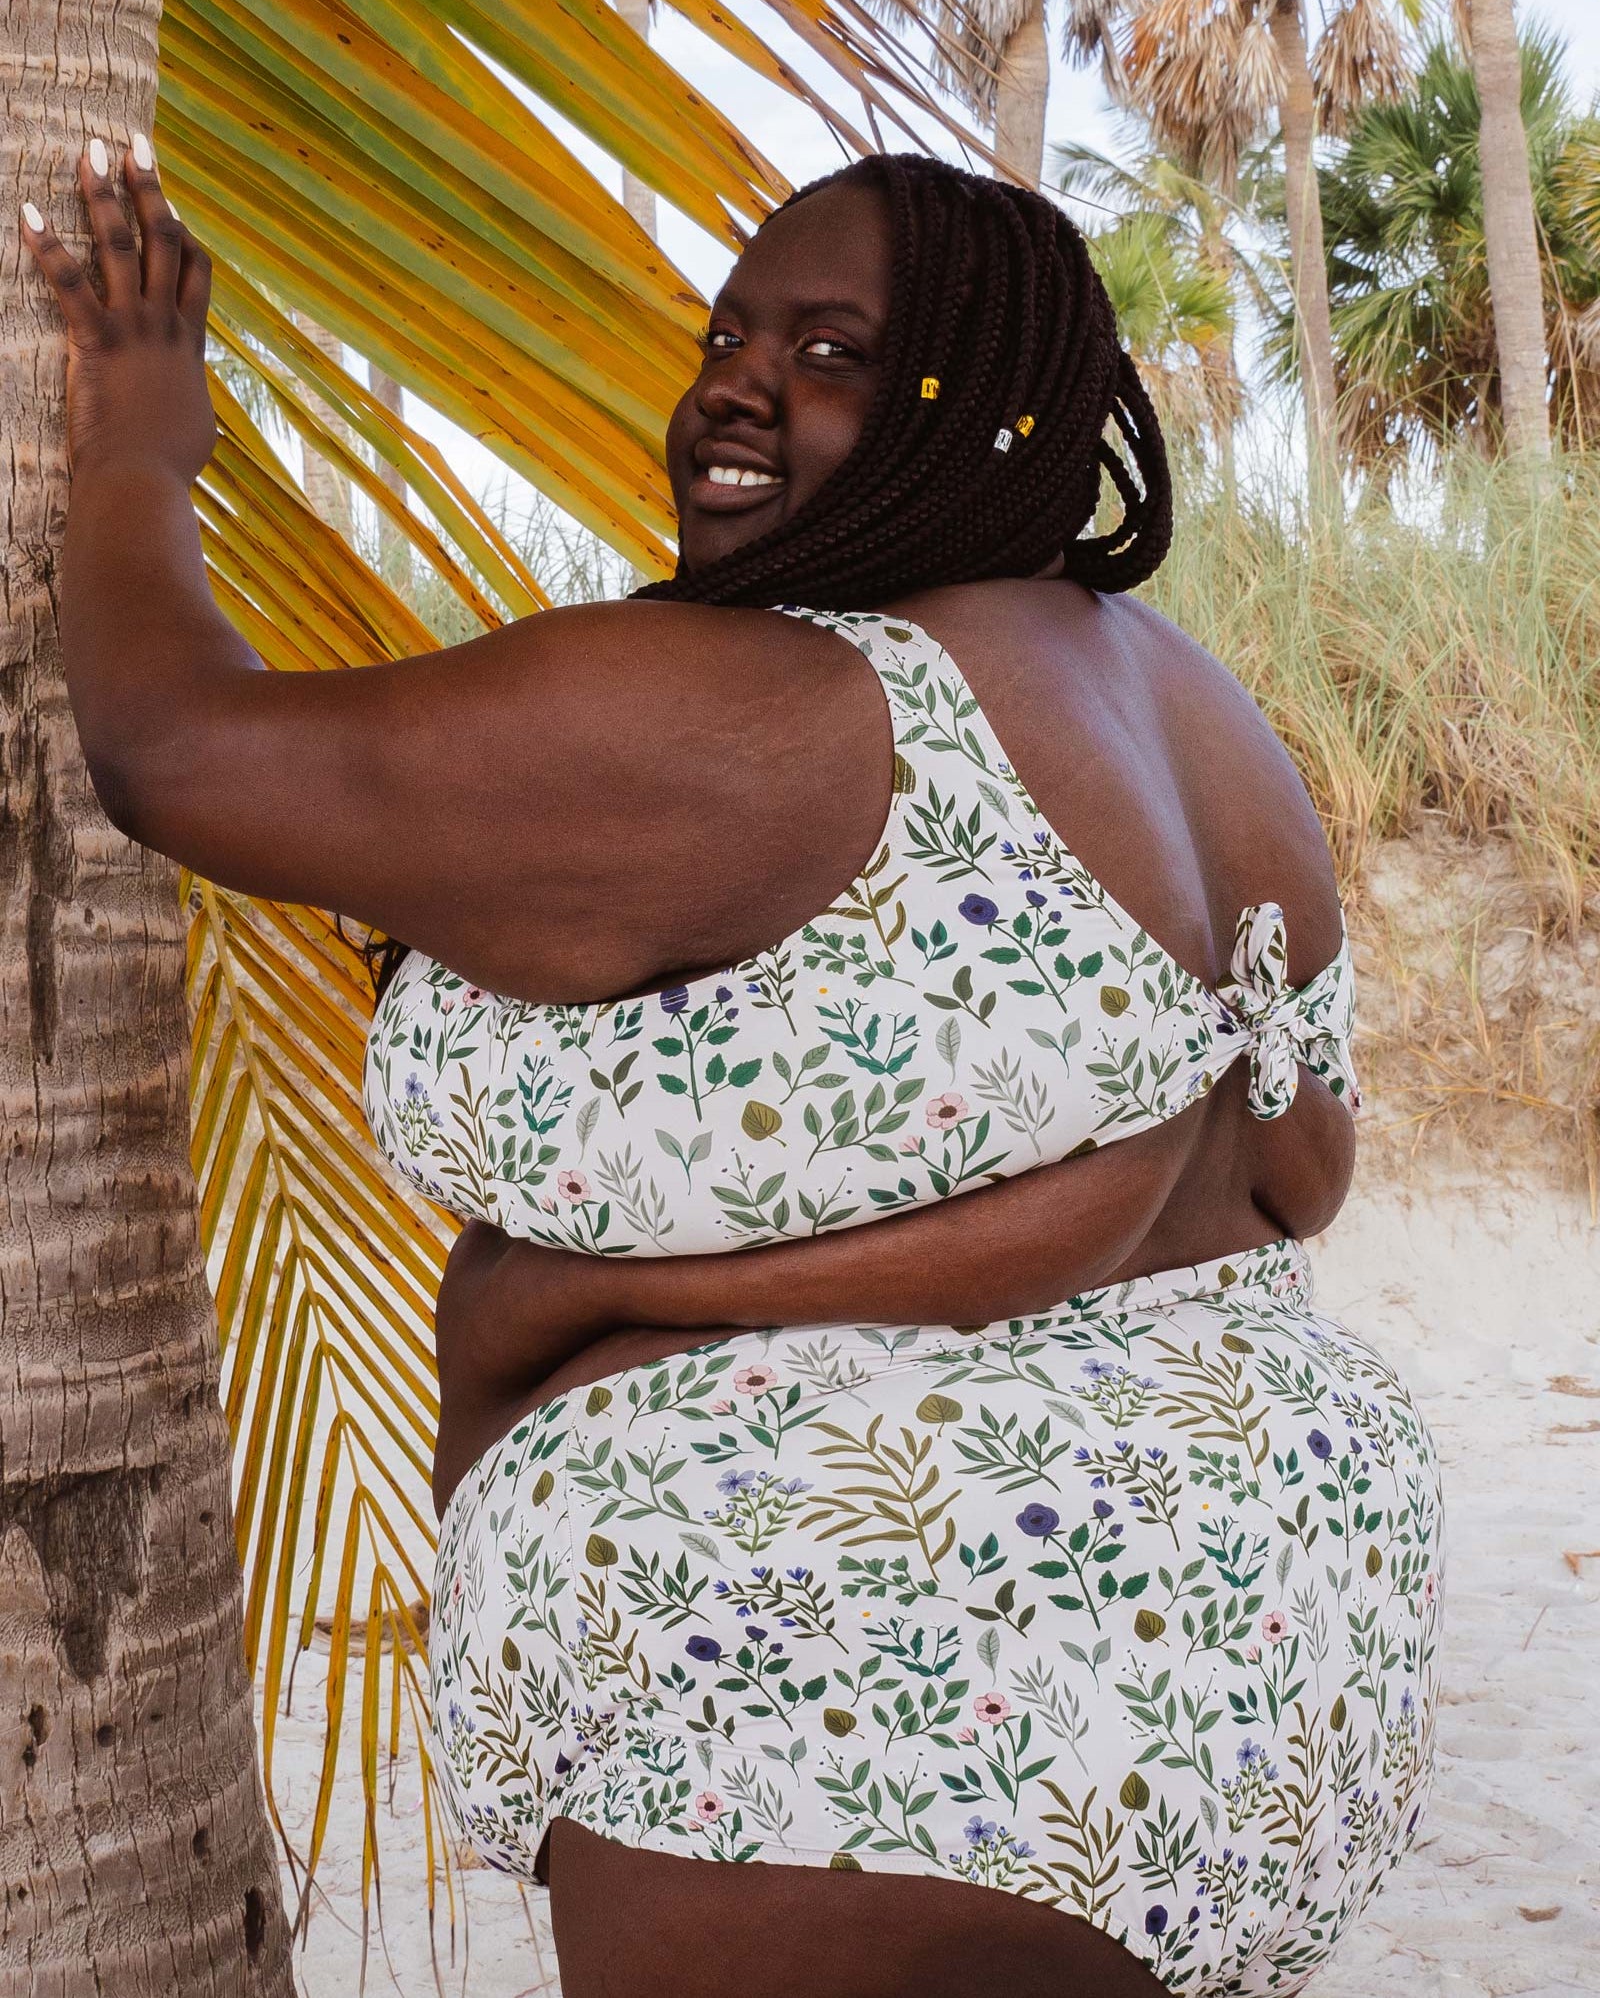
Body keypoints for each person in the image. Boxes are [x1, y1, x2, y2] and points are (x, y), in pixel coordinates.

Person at [27, 143, 1443, 1998]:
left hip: (866, 1676)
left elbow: (176, 750)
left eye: (837, 351)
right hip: (1277, 1628)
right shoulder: (1181, 698)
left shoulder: (775, 712)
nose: (737, 386)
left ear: (992, 402)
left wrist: (139, 441)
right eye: (731, 332)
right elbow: (1275, 1165)